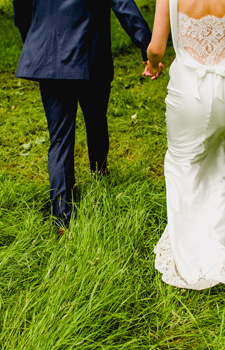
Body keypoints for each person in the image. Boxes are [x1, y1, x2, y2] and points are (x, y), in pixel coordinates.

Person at [143, 0, 225, 289]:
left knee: (181, 163)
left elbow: (157, 48)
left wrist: (152, 66)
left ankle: (193, 257)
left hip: (190, 92)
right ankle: (219, 231)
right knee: (212, 150)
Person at [13, 0, 152, 230]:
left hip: (50, 56)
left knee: (59, 139)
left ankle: (62, 219)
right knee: (96, 120)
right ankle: (99, 174)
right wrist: (147, 45)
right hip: (91, 54)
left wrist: (35, 39)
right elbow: (124, 5)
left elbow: (21, 8)